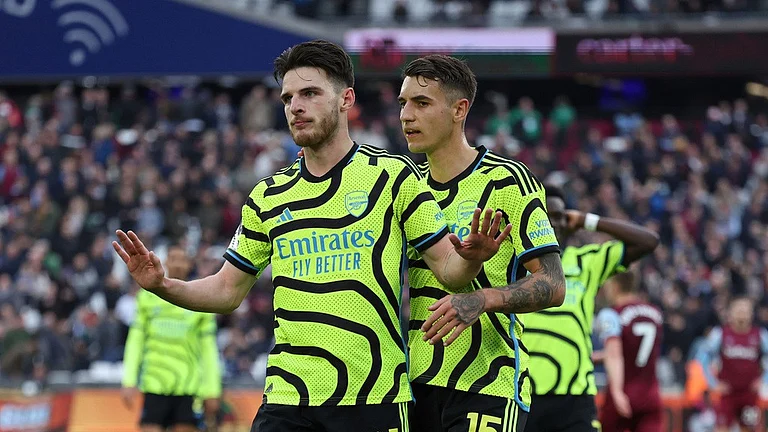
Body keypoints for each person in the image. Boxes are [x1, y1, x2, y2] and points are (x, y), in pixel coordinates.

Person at [113, 40, 510, 432]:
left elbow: (448, 270)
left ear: (346, 99)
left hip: (373, 400)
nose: (295, 107)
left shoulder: (393, 176)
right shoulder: (267, 196)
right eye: (287, 98)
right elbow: (225, 291)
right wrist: (163, 285)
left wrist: (472, 257)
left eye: (310, 93)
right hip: (287, 400)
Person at [397, 54, 565, 432]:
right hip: (413, 384)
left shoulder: (509, 181)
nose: (407, 115)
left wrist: (483, 299)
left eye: (422, 103)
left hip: (488, 383)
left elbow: (554, 284)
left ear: (460, 109)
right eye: (403, 103)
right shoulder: (402, 188)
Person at [522, 184, 659, 432]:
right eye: (547, 215)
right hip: (525, 393)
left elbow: (648, 241)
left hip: (576, 397)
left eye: (560, 217)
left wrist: (588, 220)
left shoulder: (586, 261)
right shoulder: (515, 264)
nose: (555, 223)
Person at [121, 244, 221, 432]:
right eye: (173, 259)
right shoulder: (147, 297)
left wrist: (212, 390)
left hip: (188, 386)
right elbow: (135, 341)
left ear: (189, 264)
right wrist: (128, 380)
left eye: (181, 259)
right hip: (154, 384)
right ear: (165, 262)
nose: (177, 264)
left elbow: (209, 349)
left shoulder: (200, 299)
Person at [593, 271, 664, 432]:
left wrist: (617, 392)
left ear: (614, 286)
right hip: (650, 393)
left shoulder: (611, 315)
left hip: (623, 391)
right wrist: (598, 358)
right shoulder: (655, 313)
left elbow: (615, 353)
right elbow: (634, 350)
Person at [697, 297, 768, 432]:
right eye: (738, 309)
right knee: (721, 428)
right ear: (730, 313)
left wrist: (764, 380)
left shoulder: (760, 335)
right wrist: (713, 383)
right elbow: (702, 359)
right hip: (727, 395)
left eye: (745, 310)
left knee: (749, 428)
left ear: (751, 313)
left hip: (749, 395)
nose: (742, 312)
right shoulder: (719, 334)